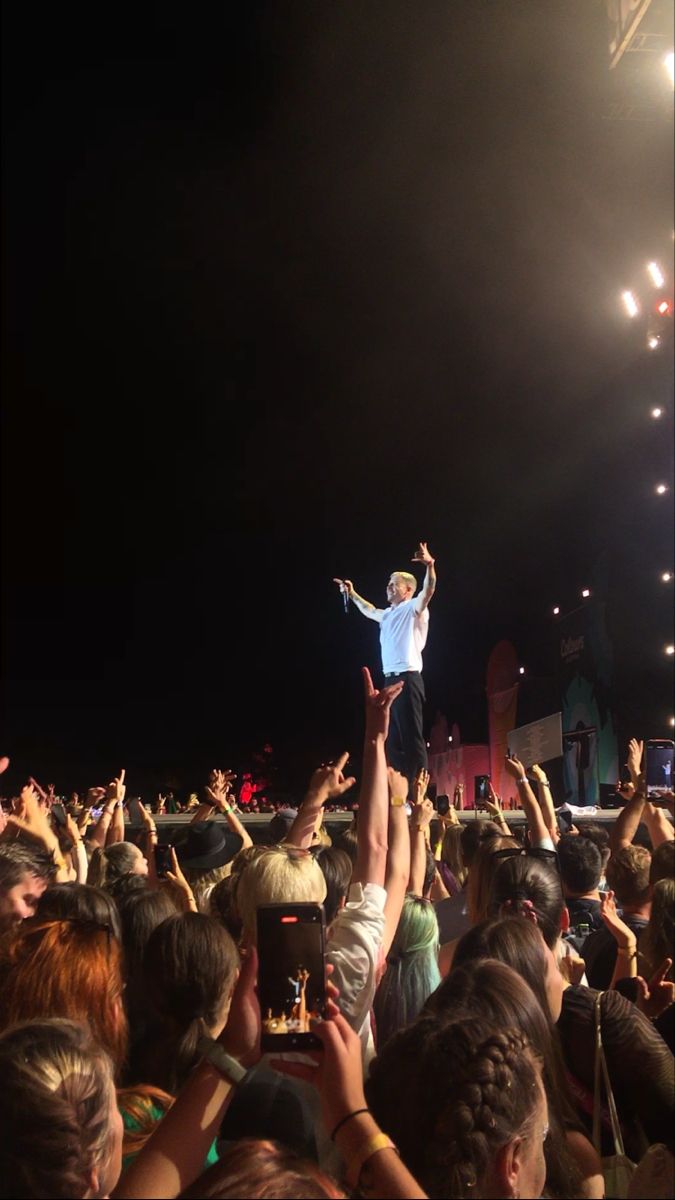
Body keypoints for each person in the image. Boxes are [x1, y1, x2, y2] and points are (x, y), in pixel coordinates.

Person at [333, 541, 437, 785]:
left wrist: (430, 565)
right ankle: (399, 789)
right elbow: (369, 609)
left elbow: (429, 590)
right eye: (388, 584)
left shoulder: (414, 607)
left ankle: (419, 791)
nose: (388, 588)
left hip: (408, 678)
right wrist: (352, 593)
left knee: (412, 738)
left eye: (394, 585)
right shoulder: (388, 614)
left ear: (408, 590)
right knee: (393, 739)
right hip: (389, 678)